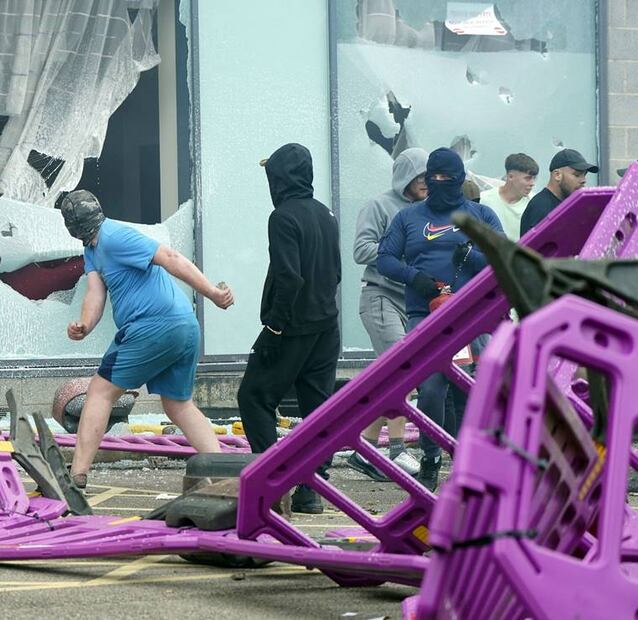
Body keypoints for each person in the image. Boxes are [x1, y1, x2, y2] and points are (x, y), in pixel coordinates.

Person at [60, 190, 234, 490]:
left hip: (152, 326)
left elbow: (170, 257)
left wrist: (213, 294)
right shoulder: (93, 250)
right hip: (184, 327)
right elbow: (95, 293)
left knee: (100, 392)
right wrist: (85, 324)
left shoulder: (114, 236)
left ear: (71, 226)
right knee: (179, 405)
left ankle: (76, 477)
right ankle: (225, 480)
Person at [377, 147, 503, 491]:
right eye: (434, 177)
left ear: (461, 178)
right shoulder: (408, 218)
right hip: (425, 316)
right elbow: (384, 258)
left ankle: (469, 467)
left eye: (448, 177)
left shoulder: (481, 214)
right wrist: (412, 276)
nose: (440, 183)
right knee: (431, 387)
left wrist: (474, 256)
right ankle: (431, 458)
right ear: (425, 179)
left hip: (472, 318)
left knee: (471, 392)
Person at [237, 143, 341, 514]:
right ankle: (311, 491)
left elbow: (289, 276)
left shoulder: (282, 217)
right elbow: (335, 273)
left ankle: (271, 479)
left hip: (293, 327)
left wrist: (274, 328)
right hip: (326, 327)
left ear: (279, 179)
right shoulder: (325, 214)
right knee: (317, 411)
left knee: (254, 397)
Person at [350, 148, 428, 481]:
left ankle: (365, 449)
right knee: (402, 371)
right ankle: (396, 450)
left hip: (412, 303)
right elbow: (360, 250)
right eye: (423, 177)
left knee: (401, 376)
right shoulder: (378, 206)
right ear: (406, 177)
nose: (429, 184)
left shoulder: (428, 210)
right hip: (381, 297)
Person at [519, 149, 598, 237]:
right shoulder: (540, 207)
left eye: (584, 175)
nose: (583, 180)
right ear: (557, 175)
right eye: (577, 175)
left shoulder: (571, 205)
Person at [478, 153, 538, 242]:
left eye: (534, 178)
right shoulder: (485, 199)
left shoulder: (534, 203)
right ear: (510, 176)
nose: (532, 183)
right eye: (528, 178)